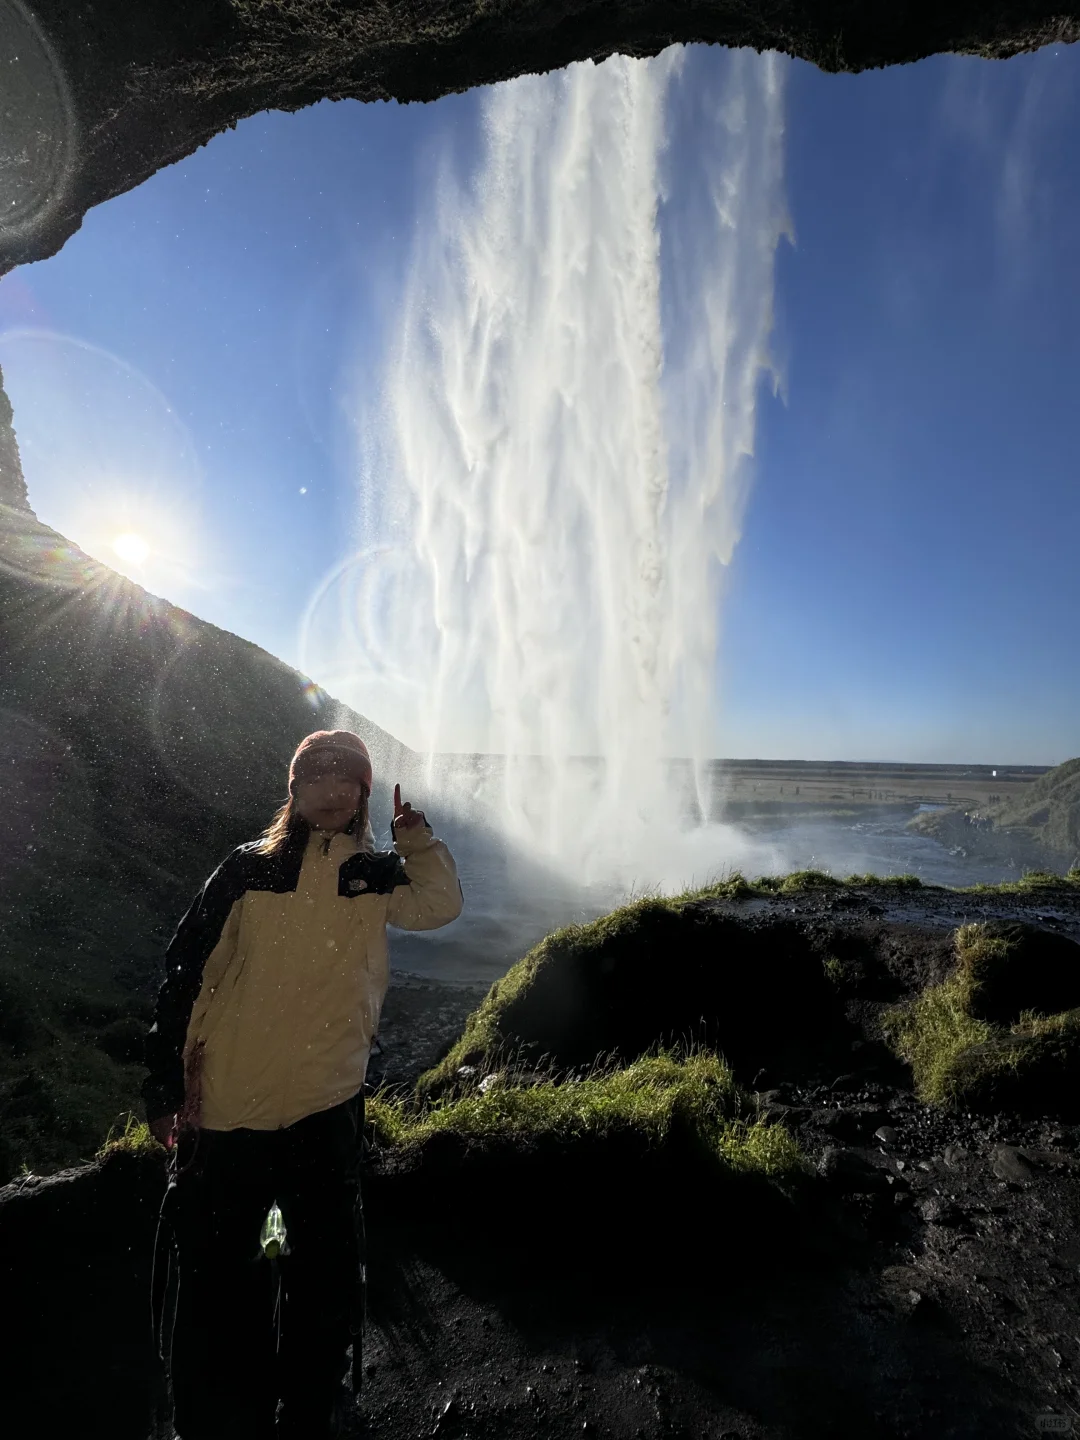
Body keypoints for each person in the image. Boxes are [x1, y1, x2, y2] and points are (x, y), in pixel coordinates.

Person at [143, 729, 463, 1440]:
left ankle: (308, 1410)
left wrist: (416, 838)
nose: (332, 789)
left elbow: (439, 905)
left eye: (348, 781)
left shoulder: (372, 874)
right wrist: (165, 1086)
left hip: (327, 1105)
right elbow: (187, 971)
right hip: (230, 1108)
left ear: (361, 798)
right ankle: (215, 1416)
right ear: (293, 789)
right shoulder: (246, 871)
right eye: (317, 775)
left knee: (320, 1278)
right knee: (220, 1282)